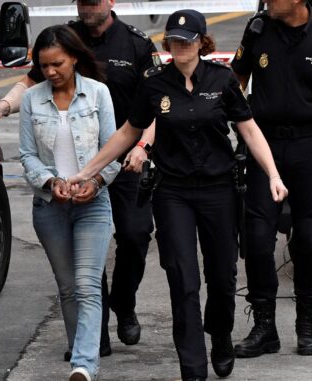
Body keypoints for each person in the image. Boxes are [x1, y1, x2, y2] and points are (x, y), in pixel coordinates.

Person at [68, 10, 288, 380]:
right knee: (182, 278)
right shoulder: (155, 84)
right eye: (173, 41)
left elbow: (248, 129)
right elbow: (128, 132)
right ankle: (193, 368)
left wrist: (273, 174)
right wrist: (86, 171)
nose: (180, 47)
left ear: (202, 42)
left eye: (187, 41)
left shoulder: (221, 80)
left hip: (219, 190)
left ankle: (219, 334)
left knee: (221, 276)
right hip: (174, 193)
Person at [0, 0, 156, 356]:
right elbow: (30, 84)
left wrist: (144, 147)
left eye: (94, 1)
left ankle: (123, 302)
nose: (87, 6)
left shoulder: (136, 44)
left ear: (110, 2)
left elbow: (152, 103)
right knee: (86, 266)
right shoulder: (63, 38)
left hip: (124, 161)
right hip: (74, 168)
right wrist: (4, 106)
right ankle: (94, 340)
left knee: (136, 237)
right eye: (82, 1)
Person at [230, 0, 312, 358]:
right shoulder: (258, 28)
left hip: (310, 146)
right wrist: (233, 120)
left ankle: (307, 324)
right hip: (265, 143)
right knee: (257, 237)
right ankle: (264, 327)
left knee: (309, 237)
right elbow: (236, 78)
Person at [19, 24, 120, 381]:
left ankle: (83, 366)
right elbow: (27, 156)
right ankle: (82, 353)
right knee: (67, 288)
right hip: (50, 207)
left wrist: (94, 181)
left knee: (88, 284)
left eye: (57, 64)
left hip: (93, 203)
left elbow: (114, 151)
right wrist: (51, 182)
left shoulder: (98, 94)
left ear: (74, 58)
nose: (51, 72)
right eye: (44, 66)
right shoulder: (32, 100)